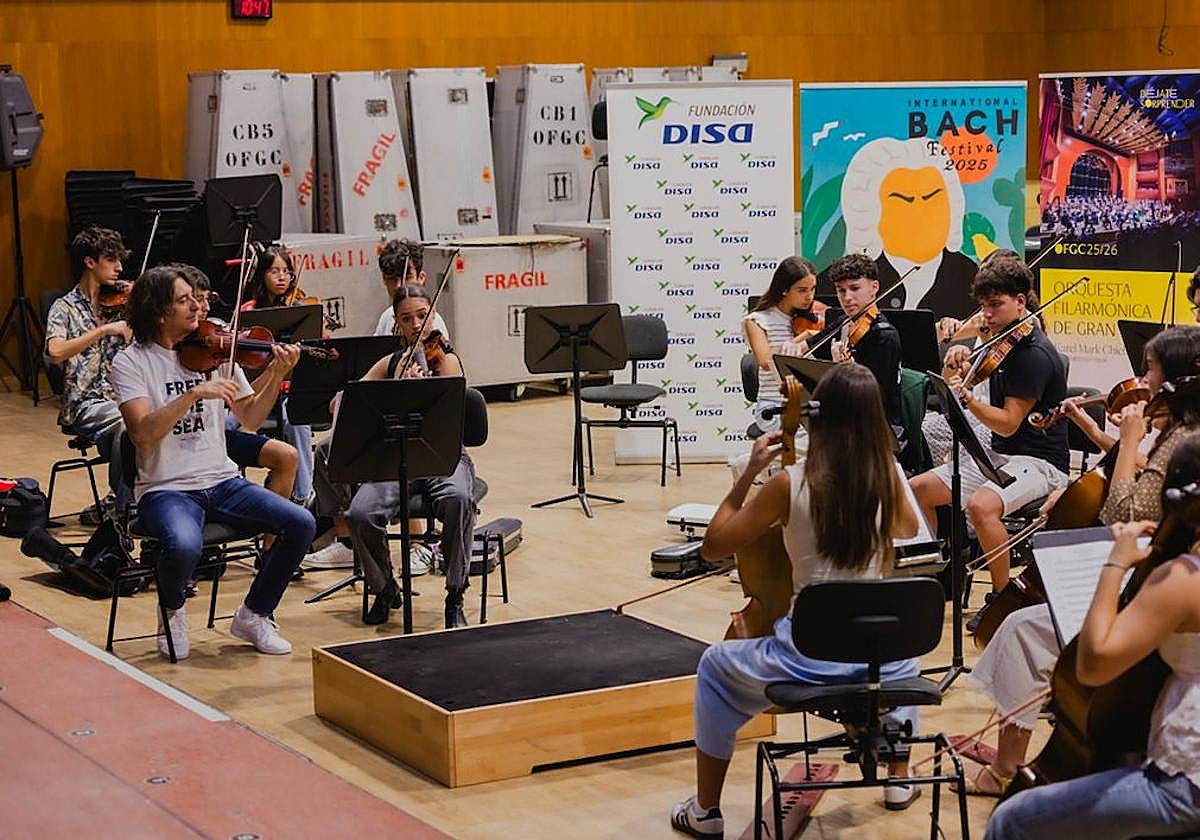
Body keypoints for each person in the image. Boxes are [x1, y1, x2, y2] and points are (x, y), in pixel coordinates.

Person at [669, 364, 923, 837]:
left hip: (810, 660)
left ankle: (705, 811)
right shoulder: (888, 478)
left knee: (714, 666)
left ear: (817, 416)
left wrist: (749, 473)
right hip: (881, 663)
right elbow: (909, 530)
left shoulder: (790, 483)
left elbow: (714, 545)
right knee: (898, 649)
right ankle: (898, 778)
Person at [964, 326, 1200, 796]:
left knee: (1023, 630)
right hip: (1147, 578)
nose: (1143, 380)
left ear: (1174, 379)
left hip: (1145, 586)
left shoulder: (1182, 439)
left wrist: (1128, 439)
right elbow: (1143, 483)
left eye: (1150, 370)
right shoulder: (1177, 431)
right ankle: (1012, 758)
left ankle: (1005, 768)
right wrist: (1109, 436)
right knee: (1025, 626)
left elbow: (1120, 513)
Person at [983, 434, 1200, 839]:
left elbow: (1093, 665)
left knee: (1012, 820)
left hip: (1186, 781)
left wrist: (1115, 564)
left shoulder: (1184, 579)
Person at [109, 266, 315, 660]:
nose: (197, 306)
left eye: (196, 298)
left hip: (222, 481)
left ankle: (254, 614)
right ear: (160, 312)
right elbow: (142, 434)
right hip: (165, 488)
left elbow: (250, 417)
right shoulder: (131, 362)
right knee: (184, 545)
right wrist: (193, 394)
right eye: (184, 300)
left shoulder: (217, 349)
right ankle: (172, 611)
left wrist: (276, 373)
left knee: (300, 523)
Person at [308, 284, 476, 629]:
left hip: (442, 456)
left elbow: (451, 414)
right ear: (396, 323)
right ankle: (385, 587)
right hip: (395, 459)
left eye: (422, 316)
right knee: (360, 513)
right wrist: (344, 398)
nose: (416, 325)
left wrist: (417, 389)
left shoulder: (447, 360)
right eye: (406, 318)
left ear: (433, 315)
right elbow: (353, 399)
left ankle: (455, 593)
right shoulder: (391, 363)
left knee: (458, 499)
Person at [909, 257, 1069, 594]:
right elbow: (959, 374)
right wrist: (955, 360)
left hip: (1040, 462)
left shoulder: (1033, 354)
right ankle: (931, 578)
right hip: (999, 454)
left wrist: (969, 401)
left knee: (982, 507)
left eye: (995, 305)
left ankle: (1000, 596)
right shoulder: (1000, 338)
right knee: (918, 489)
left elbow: (1009, 423)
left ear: (1020, 301)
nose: (987, 314)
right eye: (983, 306)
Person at [45, 226, 133, 511]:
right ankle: (123, 510)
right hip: (85, 404)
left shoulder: (122, 303)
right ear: (90, 262)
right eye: (111, 259)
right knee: (128, 424)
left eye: (120, 260)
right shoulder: (64, 308)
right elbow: (56, 352)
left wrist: (142, 302)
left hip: (122, 397)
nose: (119, 268)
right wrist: (103, 330)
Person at [237, 247, 314, 508]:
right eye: (274, 271)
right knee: (228, 423)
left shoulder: (299, 310)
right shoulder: (248, 311)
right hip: (256, 393)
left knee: (296, 418)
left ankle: (304, 495)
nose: (282, 277)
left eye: (286, 271)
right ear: (262, 275)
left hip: (289, 391)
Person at [817, 254, 905, 443]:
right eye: (841, 290)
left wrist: (847, 370)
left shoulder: (884, 336)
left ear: (874, 287)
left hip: (874, 430)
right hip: (846, 419)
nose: (847, 298)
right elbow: (810, 348)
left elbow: (874, 399)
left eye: (855, 288)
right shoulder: (845, 322)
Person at [742, 257, 818, 433]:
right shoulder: (757, 321)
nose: (810, 297)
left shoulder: (814, 317)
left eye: (813, 289)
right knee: (809, 435)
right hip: (774, 406)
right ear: (784, 289)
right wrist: (804, 339)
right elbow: (765, 360)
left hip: (809, 404)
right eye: (802, 290)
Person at [373, 238, 449, 340]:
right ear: (384, 279)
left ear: (421, 278)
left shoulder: (433, 323)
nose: (399, 286)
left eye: (407, 277)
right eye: (392, 279)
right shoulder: (387, 316)